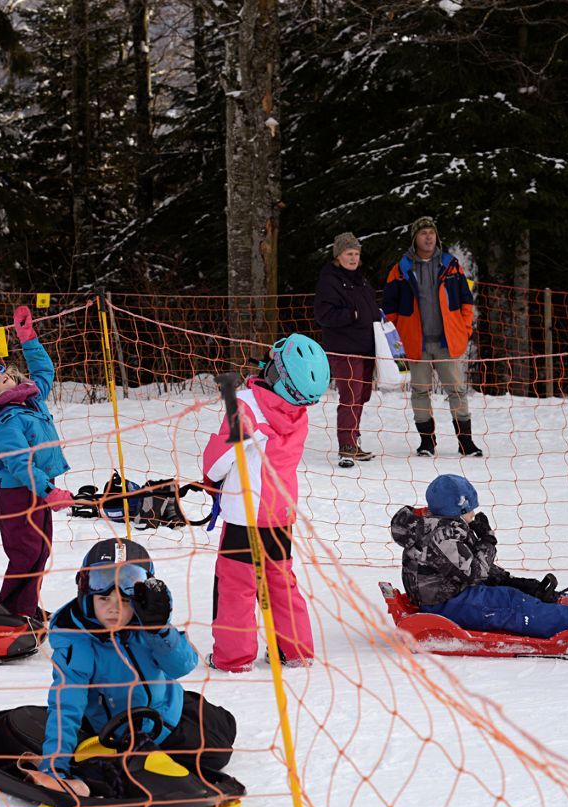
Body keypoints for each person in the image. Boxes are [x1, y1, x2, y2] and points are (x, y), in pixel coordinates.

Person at [32, 538, 236, 797]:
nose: (114, 608)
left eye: (125, 601)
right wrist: (55, 766)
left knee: (223, 730)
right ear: (86, 596)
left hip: (168, 711)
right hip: (119, 733)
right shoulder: (77, 643)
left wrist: (160, 630)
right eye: (104, 598)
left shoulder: (146, 626)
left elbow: (182, 666)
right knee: (206, 757)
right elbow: (67, 704)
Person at [202, 334, 326, 673]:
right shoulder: (297, 412)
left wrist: (210, 480)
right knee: (280, 580)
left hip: (246, 516)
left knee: (236, 584)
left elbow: (221, 458)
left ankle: (233, 657)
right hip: (280, 514)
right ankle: (295, 650)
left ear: (276, 373)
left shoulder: (245, 405)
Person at [0, 305, 74, 623]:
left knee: (41, 550)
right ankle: (14, 614)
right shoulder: (5, 423)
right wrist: (49, 491)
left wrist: (28, 338)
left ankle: (26, 608)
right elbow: (21, 465)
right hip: (19, 494)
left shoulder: (29, 398)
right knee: (26, 553)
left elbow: (45, 372)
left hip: (39, 487)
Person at [390, 474, 568, 639]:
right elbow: (474, 572)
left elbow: (468, 565)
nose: (473, 515)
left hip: (453, 591)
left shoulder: (443, 527)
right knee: (509, 603)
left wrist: (509, 580)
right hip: (445, 604)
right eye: (470, 510)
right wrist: (487, 540)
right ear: (456, 510)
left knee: (514, 589)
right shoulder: (441, 537)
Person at [383, 216, 481, 458]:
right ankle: (426, 442)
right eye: (423, 233)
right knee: (420, 392)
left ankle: (466, 442)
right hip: (417, 344)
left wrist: (465, 330)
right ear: (414, 238)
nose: (428, 237)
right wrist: (398, 338)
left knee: (457, 391)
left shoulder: (452, 265)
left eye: (431, 233)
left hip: (447, 342)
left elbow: (467, 302)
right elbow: (390, 310)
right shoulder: (400, 270)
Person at [312, 232, 380, 468]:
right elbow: (324, 315)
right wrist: (353, 314)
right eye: (349, 253)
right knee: (350, 396)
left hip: (366, 347)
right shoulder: (329, 280)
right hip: (345, 348)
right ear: (338, 256)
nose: (353, 258)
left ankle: (354, 438)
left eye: (356, 254)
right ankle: (347, 446)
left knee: (362, 395)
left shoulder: (361, 280)